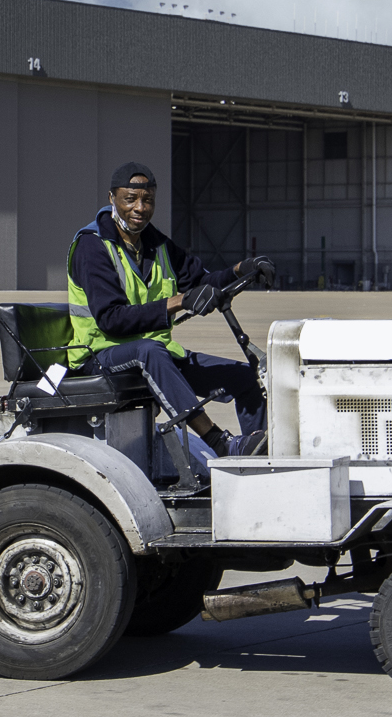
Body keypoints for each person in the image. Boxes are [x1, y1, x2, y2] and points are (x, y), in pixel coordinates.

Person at [66, 162, 273, 484]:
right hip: (100, 355)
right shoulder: (92, 246)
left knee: (244, 377)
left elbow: (202, 281)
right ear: (112, 198)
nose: (139, 208)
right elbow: (110, 320)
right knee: (150, 351)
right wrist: (175, 302)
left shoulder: (155, 243)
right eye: (130, 199)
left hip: (152, 352)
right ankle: (220, 441)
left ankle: (259, 460)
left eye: (147, 200)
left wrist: (240, 269)